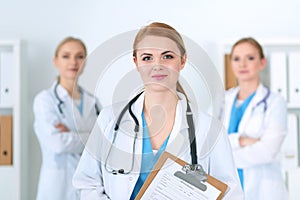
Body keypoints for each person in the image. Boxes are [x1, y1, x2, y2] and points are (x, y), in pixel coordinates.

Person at [72, 22, 243, 199]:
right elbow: (87, 183)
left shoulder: (209, 129)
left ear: (182, 61)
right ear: (136, 62)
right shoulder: (110, 119)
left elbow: (231, 195)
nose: (157, 65)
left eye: (167, 56)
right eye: (147, 58)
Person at [33, 37, 101, 200]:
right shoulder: (45, 100)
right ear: (55, 61)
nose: (73, 62)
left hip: (89, 185)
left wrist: (71, 134)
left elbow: (105, 144)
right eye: (66, 56)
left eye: (79, 56)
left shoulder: (94, 102)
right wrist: (92, 136)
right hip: (58, 187)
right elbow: (58, 144)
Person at [224, 37, 288, 199]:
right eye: (237, 59)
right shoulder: (222, 101)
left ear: (262, 62)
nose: (242, 64)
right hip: (228, 189)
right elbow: (209, 144)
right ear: (231, 63)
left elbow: (267, 151)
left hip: (263, 190)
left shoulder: (274, 102)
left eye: (250, 58)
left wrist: (225, 157)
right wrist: (241, 140)